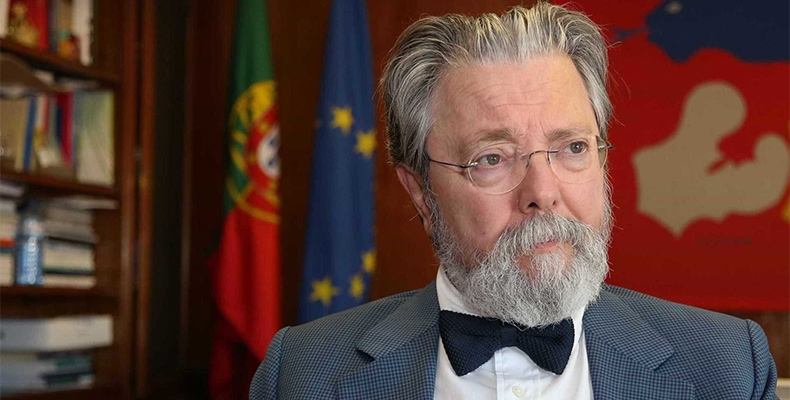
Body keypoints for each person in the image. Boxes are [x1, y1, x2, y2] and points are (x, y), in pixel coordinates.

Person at [249, 3, 778, 399]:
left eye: (573, 148)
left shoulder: (728, 369)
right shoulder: (302, 376)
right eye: (493, 158)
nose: (543, 193)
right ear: (422, 193)